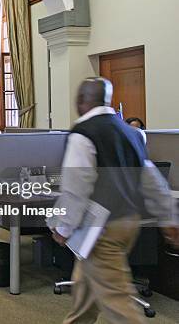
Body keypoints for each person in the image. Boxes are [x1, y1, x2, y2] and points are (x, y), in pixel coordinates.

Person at [47, 77, 179, 324]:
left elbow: (77, 187)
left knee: (119, 306)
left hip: (100, 230)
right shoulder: (132, 133)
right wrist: (168, 217)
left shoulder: (83, 134)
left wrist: (63, 227)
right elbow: (151, 179)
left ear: (81, 101)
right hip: (129, 224)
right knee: (84, 299)